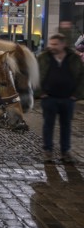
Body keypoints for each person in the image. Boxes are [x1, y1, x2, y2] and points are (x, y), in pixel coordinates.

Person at [37, 33, 84, 164]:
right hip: (49, 98)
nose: (52, 47)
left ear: (63, 44)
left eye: (55, 44)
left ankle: (65, 152)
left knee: (66, 126)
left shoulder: (73, 58)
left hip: (67, 99)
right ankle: (47, 152)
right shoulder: (43, 58)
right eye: (51, 44)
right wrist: (40, 92)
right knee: (48, 126)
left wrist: (76, 94)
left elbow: (81, 76)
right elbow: (34, 75)